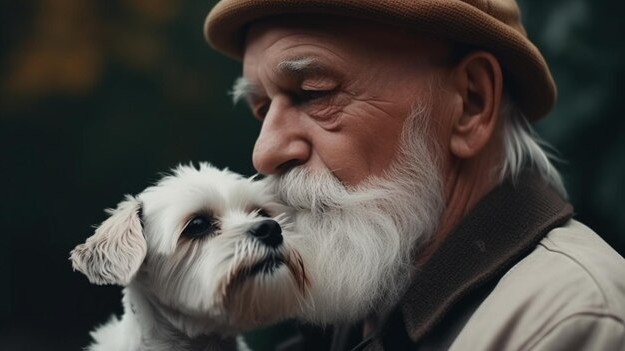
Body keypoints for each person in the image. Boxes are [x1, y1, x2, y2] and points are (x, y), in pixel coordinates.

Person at [204, 1, 625, 350]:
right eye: (261, 109)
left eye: (315, 93)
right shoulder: (354, 321)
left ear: (471, 104)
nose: (264, 152)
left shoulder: (569, 321)